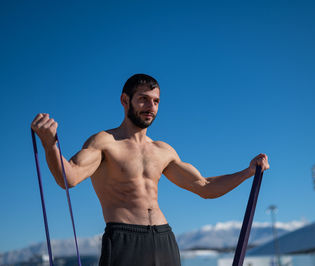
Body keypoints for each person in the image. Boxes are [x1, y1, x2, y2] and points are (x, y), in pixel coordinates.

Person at [30, 74, 269, 266]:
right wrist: (50, 144)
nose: (150, 107)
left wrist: (247, 172)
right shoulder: (105, 142)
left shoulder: (163, 150)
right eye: (143, 99)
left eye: (155, 101)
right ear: (125, 100)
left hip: (163, 239)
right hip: (124, 240)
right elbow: (68, 177)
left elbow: (204, 188)